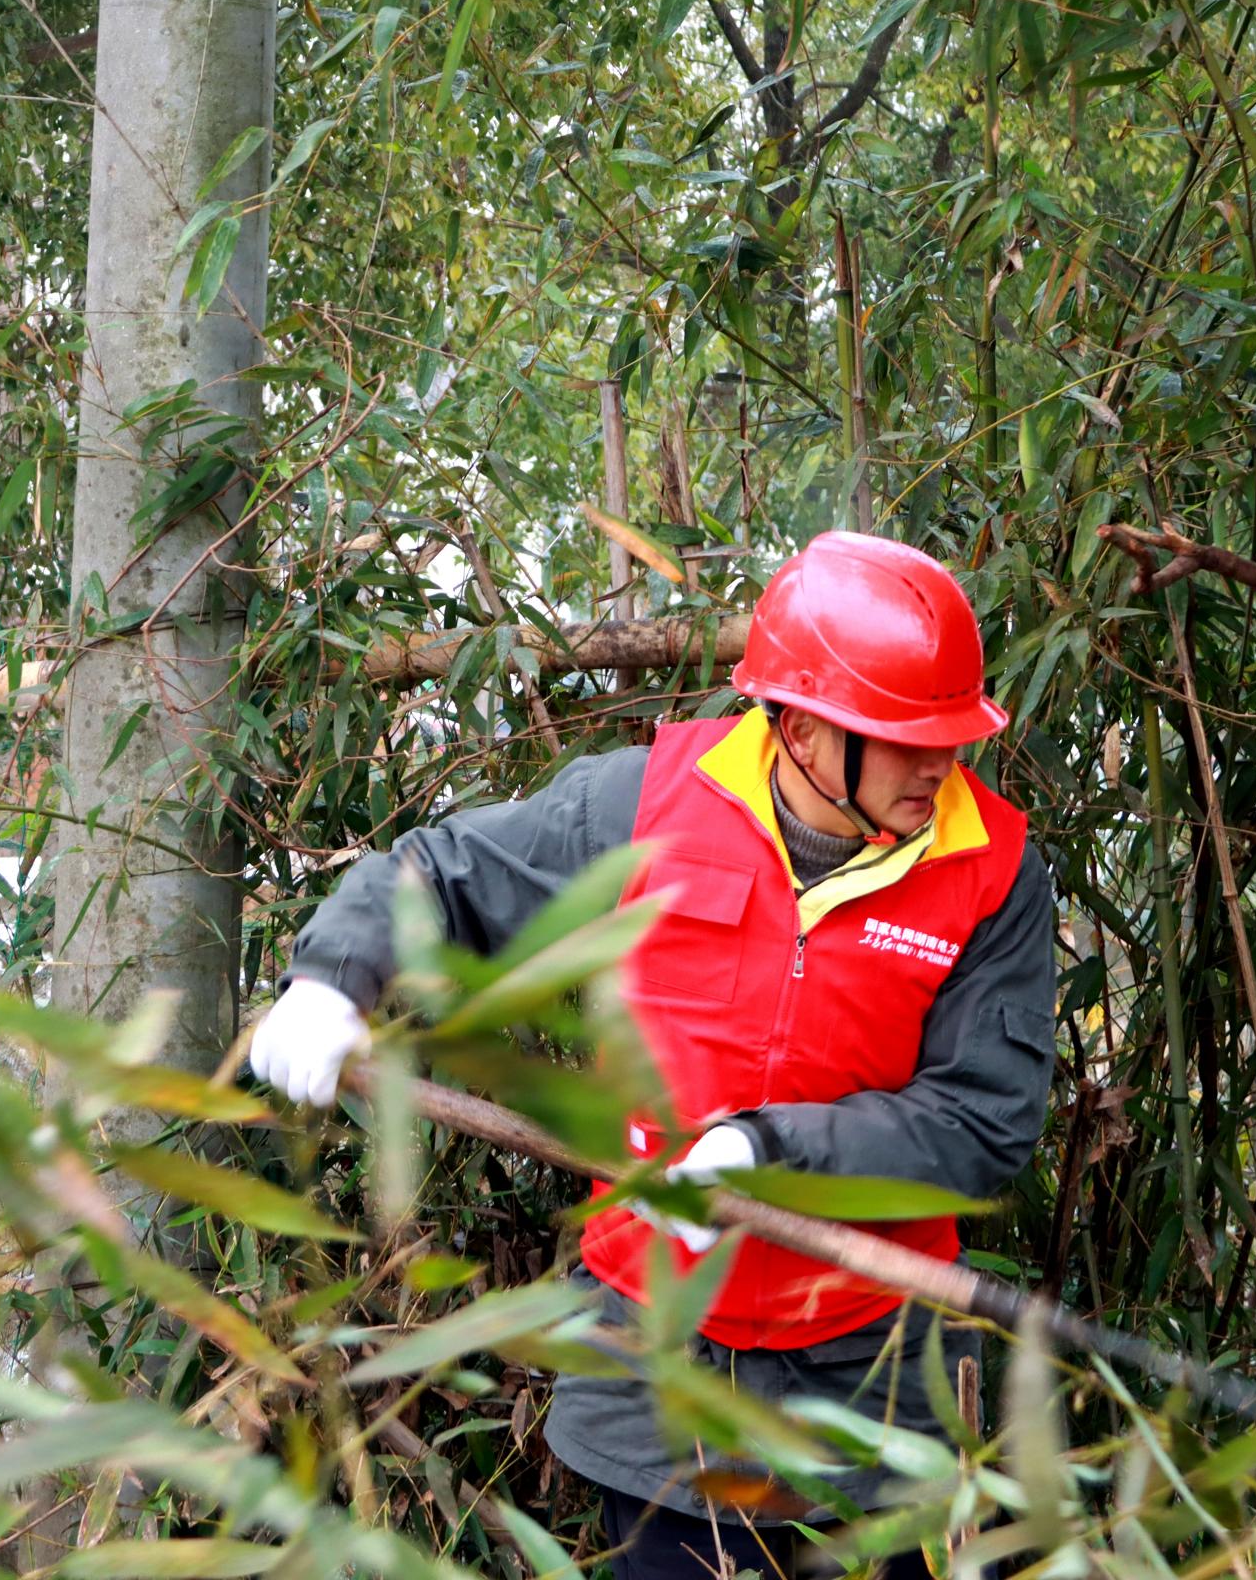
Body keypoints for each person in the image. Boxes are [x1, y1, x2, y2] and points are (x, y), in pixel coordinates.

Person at [249, 533, 1055, 1580]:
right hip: (659, 1371)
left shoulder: (990, 869)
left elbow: (981, 1121)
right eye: (903, 736)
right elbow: (439, 875)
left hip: (874, 1379)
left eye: (951, 732)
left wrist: (761, 1149)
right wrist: (330, 979)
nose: (941, 759)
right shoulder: (645, 806)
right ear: (804, 729)